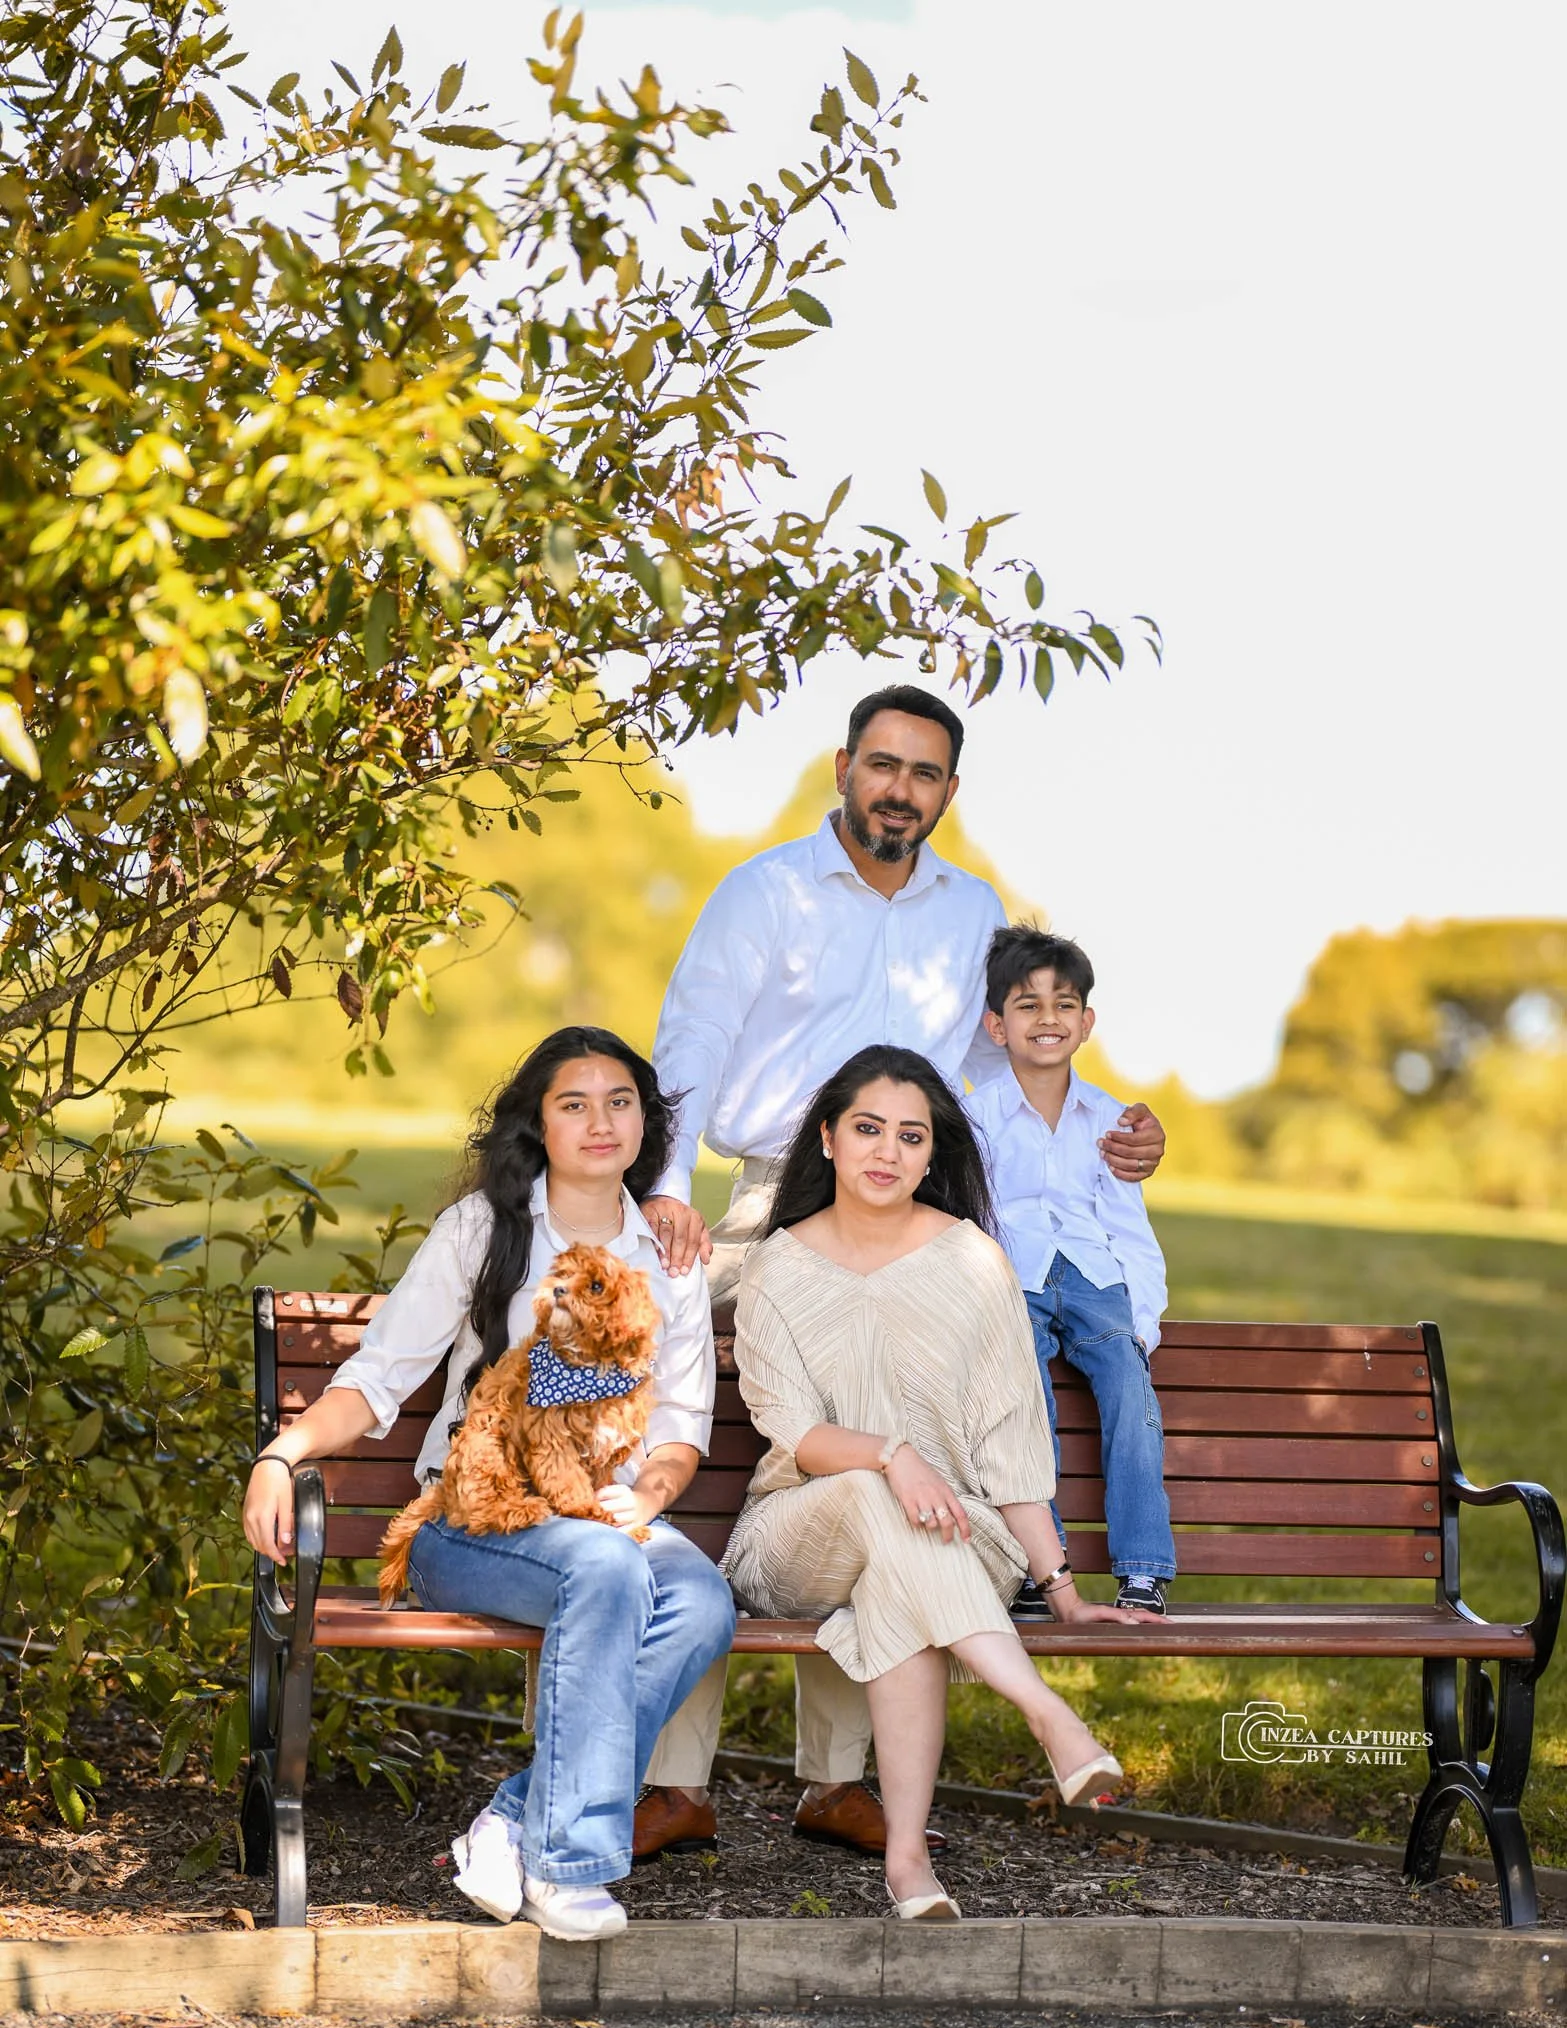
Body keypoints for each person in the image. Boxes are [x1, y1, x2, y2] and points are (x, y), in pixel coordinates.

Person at [634, 682, 1170, 1861]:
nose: (899, 791)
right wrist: (666, 1192)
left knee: (870, 1441)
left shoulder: (970, 911)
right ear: (843, 768)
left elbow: (1022, 1043)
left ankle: (835, 1780)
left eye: (924, 774)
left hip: (907, 1202)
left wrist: (1111, 1132)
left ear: (948, 792)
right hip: (775, 1189)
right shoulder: (765, 892)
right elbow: (692, 1042)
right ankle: (670, 1777)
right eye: (883, 766)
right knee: (701, 1437)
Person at [239, 1028, 735, 1942]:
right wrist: (282, 1452)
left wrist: (653, 1496)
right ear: (535, 1126)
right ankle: (571, 1866)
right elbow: (379, 1376)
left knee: (701, 1600)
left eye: (619, 1102)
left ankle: (512, 1819)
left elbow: (681, 1426)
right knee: (606, 1570)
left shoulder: (667, 1255)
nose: (599, 1122)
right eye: (572, 1104)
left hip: (598, 1519)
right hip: (473, 1520)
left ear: (645, 1123)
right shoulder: (483, 1230)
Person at [721, 1045, 1154, 1919]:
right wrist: (891, 1453)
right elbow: (795, 1434)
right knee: (879, 1502)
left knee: (904, 1581)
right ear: (829, 1139)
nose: (887, 1151)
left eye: (910, 1136)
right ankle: (1045, 1714)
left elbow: (1009, 1443)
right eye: (868, 1129)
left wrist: (1060, 1590)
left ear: (932, 1153)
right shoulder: (776, 1267)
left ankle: (908, 1862)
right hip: (799, 1532)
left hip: (952, 1537)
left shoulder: (973, 1261)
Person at [966, 927, 1176, 1614]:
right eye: (1026, 1005)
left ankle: (1142, 1568)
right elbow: (970, 1219)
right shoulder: (974, 1118)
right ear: (995, 1025)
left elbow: (1128, 1231)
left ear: (1085, 1023)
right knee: (1024, 1395)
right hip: (1011, 1282)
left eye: (1063, 1004)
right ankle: (1039, 1563)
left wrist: (1140, 1323)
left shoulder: (1111, 1120)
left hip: (1094, 1278)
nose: (1047, 1018)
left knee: (1127, 1388)